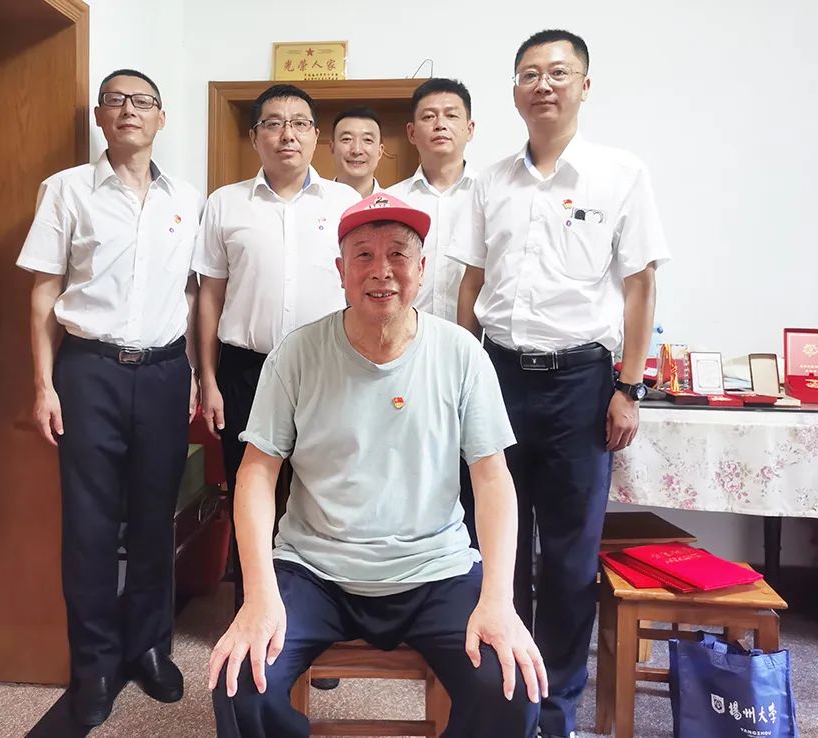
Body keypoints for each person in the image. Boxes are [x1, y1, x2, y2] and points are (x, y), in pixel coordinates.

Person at [208, 193, 547, 738]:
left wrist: (499, 600)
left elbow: (492, 480)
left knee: (510, 689)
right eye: (363, 254)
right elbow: (255, 473)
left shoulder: (461, 354)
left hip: (434, 568)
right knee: (240, 682)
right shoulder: (296, 354)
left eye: (398, 254)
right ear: (340, 271)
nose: (381, 270)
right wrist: (258, 593)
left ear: (422, 267)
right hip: (315, 569)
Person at [451, 30, 670, 738]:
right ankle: (504, 696)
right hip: (499, 375)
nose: (542, 84)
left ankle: (556, 708)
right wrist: (465, 371)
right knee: (496, 546)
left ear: (584, 85)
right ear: (515, 90)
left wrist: (629, 387)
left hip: (581, 382)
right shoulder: (490, 181)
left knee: (571, 555)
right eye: (528, 74)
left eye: (557, 72)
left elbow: (640, 285)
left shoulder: (620, 173)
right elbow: (471, 284)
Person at [16, 69, 205, 726]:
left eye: (143, 101)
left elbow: (191, 293)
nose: (129, 110)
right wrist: (43, 384)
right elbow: (44, 292)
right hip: (88, 371)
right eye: (116, 100)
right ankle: (94, 663)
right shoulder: (67, 190)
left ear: (161, 118)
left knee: (155, 517)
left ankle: (149, 648)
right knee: (90, 525)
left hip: (163, 373)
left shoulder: (188, 199)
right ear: (99, 116)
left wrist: (191, 371)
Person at [194, 83, 359, 606]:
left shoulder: (344, 203)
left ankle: (320, 616)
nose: (287, 134)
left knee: (325, 495)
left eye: (299, 123)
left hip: (329, 368)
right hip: (245, 370)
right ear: (255, 136)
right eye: (273, 123)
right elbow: (209, 296)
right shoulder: (225, 203)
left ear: (316, 136)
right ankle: (252, 611)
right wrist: (208, 379)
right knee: (251, 490)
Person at [387, 78, 476, 323]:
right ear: (411, 132)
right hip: (405, 336)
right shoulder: (391, 201)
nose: (440, 125)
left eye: (451, 115)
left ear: (470, 129)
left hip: (474, 338)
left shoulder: (489, 194)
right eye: (428, 117)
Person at [329, 106, 385, 197]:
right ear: (332, 147)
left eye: (367, 140)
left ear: (380, 151)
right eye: (347, 139)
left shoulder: (395, 204)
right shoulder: (315, 203)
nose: (357, 150)